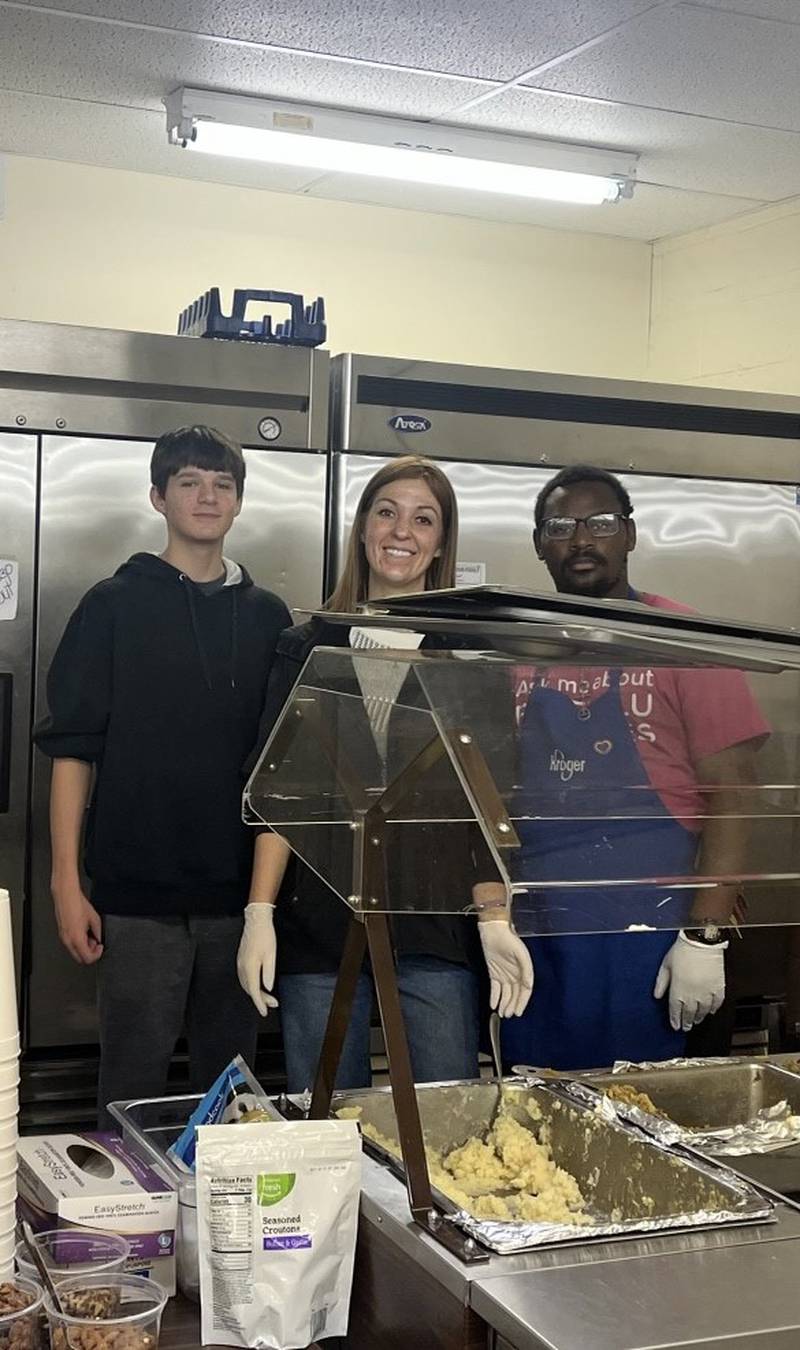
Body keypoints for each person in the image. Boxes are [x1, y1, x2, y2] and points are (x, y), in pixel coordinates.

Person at [236, 455, 533, 1091]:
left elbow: (487, 803)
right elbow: (280, 795)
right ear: (364, 529)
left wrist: (493, 916)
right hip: (318, 921)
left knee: (444, 1120)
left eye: (423, 520)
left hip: (434, 924)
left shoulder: (467, 655)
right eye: (387, 512)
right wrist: (259, 911)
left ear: (440, 544)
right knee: (327, 1124)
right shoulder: (307, 645)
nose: (402, 531)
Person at [34, 426, 291, 1122]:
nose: (208, 496)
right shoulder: (113, 605)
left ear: (238, 502)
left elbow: (282, 764)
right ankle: (128, 1227)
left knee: (230, 1092)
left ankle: (219, 1226)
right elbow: (73, 751)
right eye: (189, 482)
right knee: (131, 1085)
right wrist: (65, 881)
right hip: (137, 896)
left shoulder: (269, 618)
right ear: (158, 495)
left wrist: (263, 908)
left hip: (238, 901)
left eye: (223, 484)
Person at [480, 463, 769, 1071]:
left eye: (601, 523)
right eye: (560, 525)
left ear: (630, 536)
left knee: (649, 1121)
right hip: (543, 935)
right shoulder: (516, 650)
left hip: (656, 935)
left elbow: (735, 795)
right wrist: (495, 915)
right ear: (539, 544)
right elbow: (484, 797)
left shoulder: (683, 640)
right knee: (539, 1117)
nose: (581, 539)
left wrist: (705, 934)